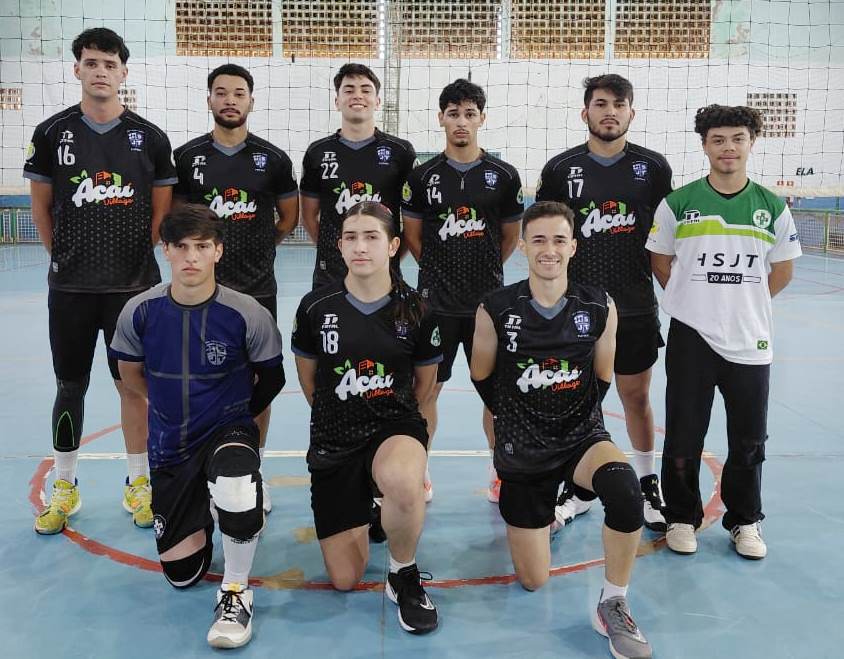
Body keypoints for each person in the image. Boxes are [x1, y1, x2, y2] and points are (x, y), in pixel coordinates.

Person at [470, 201, 652, 659]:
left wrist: (575, 424)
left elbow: (604, 375)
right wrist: (518, 424)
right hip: (523, 450)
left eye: (558, 240)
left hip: (580, 439)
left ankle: (613, 601)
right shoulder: (495, 308)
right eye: (538, 240)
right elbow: (481, 376)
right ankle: (556, 505)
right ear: (524, 248)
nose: (548, 250)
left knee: (626, 491)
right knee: (533, 581)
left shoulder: (598, 305)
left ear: (573, 245)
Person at [111, 204, 285, 648]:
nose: (191, 257)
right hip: (171, 445)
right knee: (182, 575)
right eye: (181, 247)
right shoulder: (140, 311)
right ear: (165, 250)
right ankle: (207, 510)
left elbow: (273, 376)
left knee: (237, 487)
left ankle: (236, 589)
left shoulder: (247, 313)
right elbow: (129, 376)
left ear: (218, 252)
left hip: (228, 431)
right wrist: (167, 405)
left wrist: (241, 416)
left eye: (202, 247)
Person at [25, 28, 177, 533]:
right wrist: (63, 258)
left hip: (132, 291)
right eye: (91, 63)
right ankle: (65, 486)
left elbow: (161, 217)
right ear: (77, 70)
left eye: (110, 64)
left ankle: (139, 485)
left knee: (134, 387)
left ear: (123, 72)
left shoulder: (150, 138)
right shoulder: (51, 133)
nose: (101, 71)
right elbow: (41, 211)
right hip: (70, 289)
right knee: (71, 387)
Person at [647, 104, 801, 559]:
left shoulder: (771, 206)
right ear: (705, 146)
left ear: (751, 143)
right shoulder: (679, 202)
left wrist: (742, 304)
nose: (728, 147)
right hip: (691, 336)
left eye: (736, 138)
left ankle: (745, 520)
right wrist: (694, 303)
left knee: (750, 439)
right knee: (683, 434)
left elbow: (783, 270)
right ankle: (680, 517)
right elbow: (660, 260)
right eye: (718, 140)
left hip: (749, 341)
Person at [292, 201, 441, 634]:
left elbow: (424, 387)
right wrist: (335, 418)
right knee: (344, 580)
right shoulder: (316, 308)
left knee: (400, 478)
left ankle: (403, 572)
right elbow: (310, 382)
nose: (361, 246)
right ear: (338, 246)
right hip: (335, 437)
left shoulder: (415, 309)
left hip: (393, 427)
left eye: (372, 237)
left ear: (393, 245)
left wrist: (404, 441)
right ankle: (371, 510)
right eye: (351, 237)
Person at [536, 74, 672, 532]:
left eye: (619, 103)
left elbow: (663, 240)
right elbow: (546, 239)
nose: (609, 110)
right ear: (586, 113)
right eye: (600, 103)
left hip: (634, 306)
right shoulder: (560, 169)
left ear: (631, 112)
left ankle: (648, 480)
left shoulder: (653, 168)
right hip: (577, 309)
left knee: (636, 396)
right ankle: (579, 487)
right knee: (576, 401)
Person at [173, 63, 299, 512]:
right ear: (209, 99)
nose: (230, 99)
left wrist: (263, 244)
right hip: (198, 294)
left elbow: (288, 217)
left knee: (257, 382)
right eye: (221, 92)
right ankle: (201, 469)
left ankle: (252, 470)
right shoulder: (187, 157)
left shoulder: (273, 159)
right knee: (202, 380)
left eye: (239, 93)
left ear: (251, 101)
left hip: (256, 290)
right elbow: (180, 223)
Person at [402, 78, 523, 503]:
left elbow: (509, 237)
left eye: (470, 114)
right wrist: (436, 274)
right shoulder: (423, 176)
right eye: (453, 113)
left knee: (495, 393)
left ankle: (501, 471)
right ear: (441, 119)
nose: (461, 121)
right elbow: (413, 237)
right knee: (426, 390)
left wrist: (486, 275)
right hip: (434, 304)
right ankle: (419, 470)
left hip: (488, 305)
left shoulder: (504, 176)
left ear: (481, 120)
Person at [300, 63, 416, 288]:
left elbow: (412, 223)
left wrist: (388, 256)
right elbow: (308, 216)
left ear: (377, 101)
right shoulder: (318, 152)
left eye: (365, 89)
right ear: (337, 101)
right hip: (331, 275)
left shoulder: (401, 152)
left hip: (384, 275)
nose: (357, 96)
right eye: (349, 89)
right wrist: (335, 250)